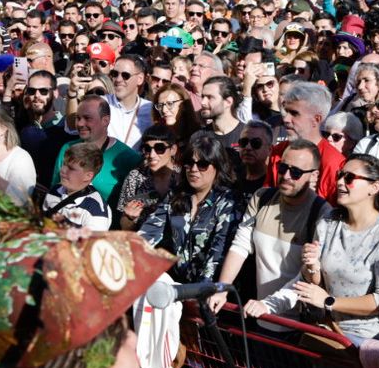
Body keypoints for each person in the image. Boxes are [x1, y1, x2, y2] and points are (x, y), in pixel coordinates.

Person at [252, 154, 379, 368]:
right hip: (328, 338)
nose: (340, 183)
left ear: (374, 187)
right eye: (339, 176)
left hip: (368, 347)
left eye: (350, 178)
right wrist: (311, 269)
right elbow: (313, 284)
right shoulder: (329, 222)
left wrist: (329, 301)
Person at [219, 139, 327, 321]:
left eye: (296, 172)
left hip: (297, 325)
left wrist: (269, 305)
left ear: (314, 175)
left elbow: (309, 274)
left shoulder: (322, 214)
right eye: (283, 168)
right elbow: (240, 246)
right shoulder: (262, 198)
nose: (286, 176)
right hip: (257, 314)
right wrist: (222, 288)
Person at [138, 131, 247, 284]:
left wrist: (200, 292)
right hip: (174, 286)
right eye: (189, 163)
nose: (193, 169)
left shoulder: (229, 201)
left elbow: (218, 253)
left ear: (217, 166)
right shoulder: (176, 195)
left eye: (202, 164)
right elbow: (148, 233)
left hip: (210, 292)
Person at [53, 94, 142, 204]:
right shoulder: (67, 148)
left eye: (87, 118)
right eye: (78, 118)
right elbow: (54, 192)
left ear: (105, 120)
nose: (80, 123)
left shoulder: (128, 158)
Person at [278, 80, 346, 199]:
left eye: (294, 113)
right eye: (286, 111)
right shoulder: (277, 151)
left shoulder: (334, 163)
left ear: (316, 119)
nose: (286, 119)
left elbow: (331, 212)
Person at [117, 123, 181, 228]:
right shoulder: (135, 176)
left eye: (159, 148)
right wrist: (129, 218)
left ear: (173, 150)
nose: (152, 155)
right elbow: (124, 226)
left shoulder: (184, 177)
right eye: (147, 149)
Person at [41, 141, 113, 229]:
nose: (63, 170)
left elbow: (92, 242)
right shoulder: (54, 190)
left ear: (88, 176)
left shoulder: (96, 211)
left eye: (71, 168)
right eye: (64, 164)